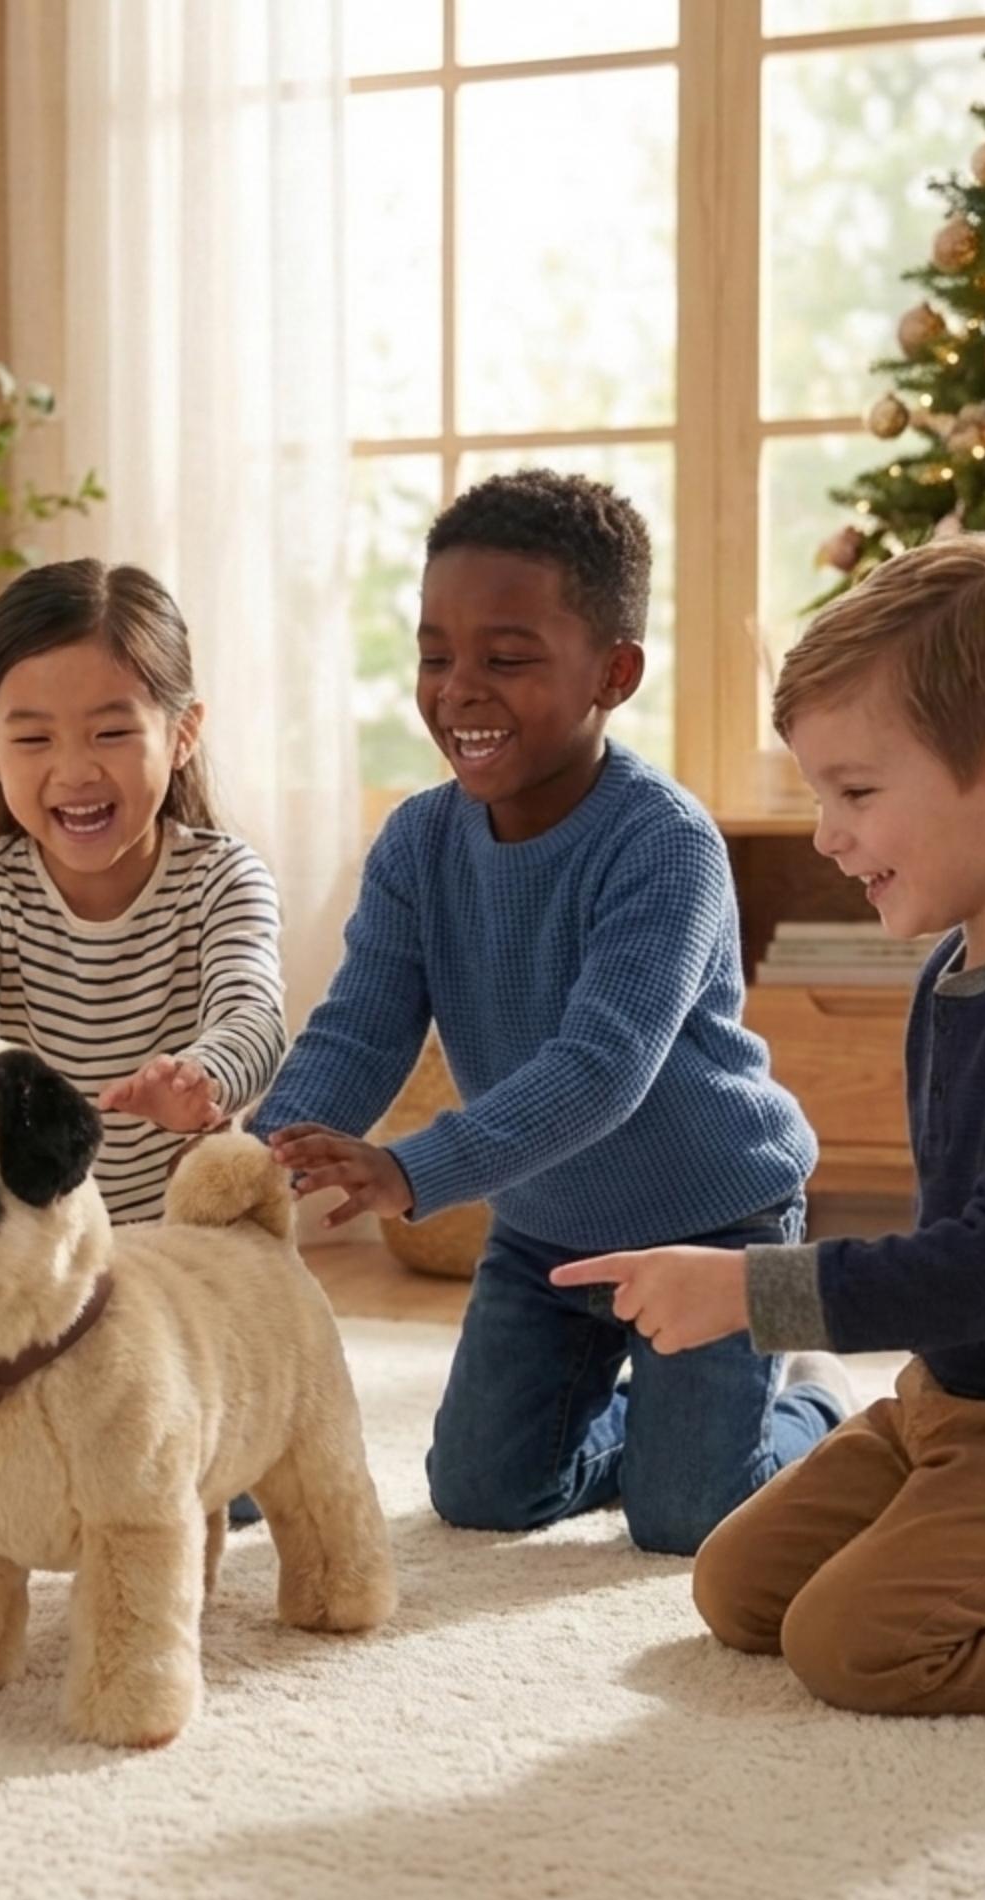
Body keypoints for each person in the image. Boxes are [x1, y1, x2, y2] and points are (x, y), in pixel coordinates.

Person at [555, 531, 985, 1712]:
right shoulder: (952, 968)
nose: (827, 834)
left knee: (855, 1646)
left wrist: (747, 1287)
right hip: (952, 1402)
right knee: (736, 1587)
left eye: (857, 792)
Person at [252, 469, 835, 1556]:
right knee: (478, 1492)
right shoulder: (419, 843)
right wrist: (255, 1163)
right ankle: (672, 1425)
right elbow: (359, 1027)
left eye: (505, 658)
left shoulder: (664, 841)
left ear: (611, 672)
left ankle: (804, 1406)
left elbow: (599, 1068)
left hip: (716, 1226)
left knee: (689, 1521)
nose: (458, 689)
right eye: (435, 656)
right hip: (546, 1230)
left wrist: (410, 1169)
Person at [0, 556, 286, 1233]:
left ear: (182, 734)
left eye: (111, 733)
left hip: (187, 1240)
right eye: (32, 739)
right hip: (35, 1244)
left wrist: (199, 1080)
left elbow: (255, 1018)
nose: (75, 771)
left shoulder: (221, 880)